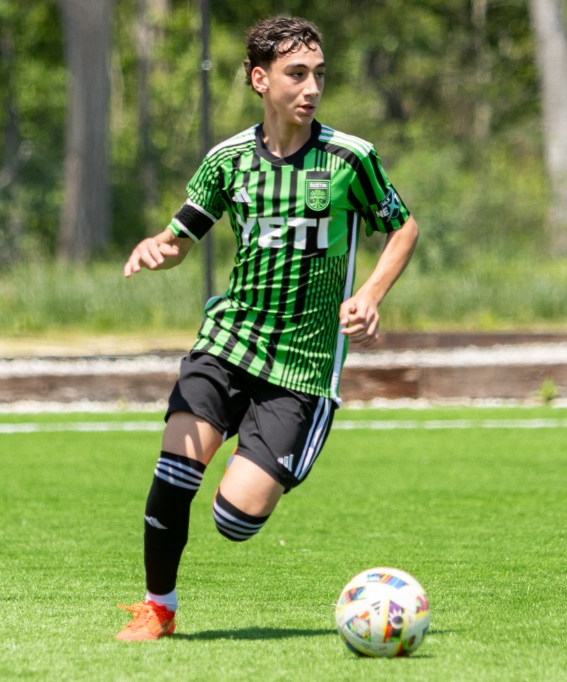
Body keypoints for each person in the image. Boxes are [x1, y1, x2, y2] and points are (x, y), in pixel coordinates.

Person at [115, 15, 419, 639]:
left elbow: (403, 227)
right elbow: (180, 238)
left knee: (236, 520)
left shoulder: (350, 158)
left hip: (302, 366)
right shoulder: (228, 160)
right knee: (174, 471)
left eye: (318, 75)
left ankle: (254, 452)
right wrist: (157, 247)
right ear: (260, 79)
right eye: (296, 74)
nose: (312, 88)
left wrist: (369, 294)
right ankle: (158, 608)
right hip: (228, 342)